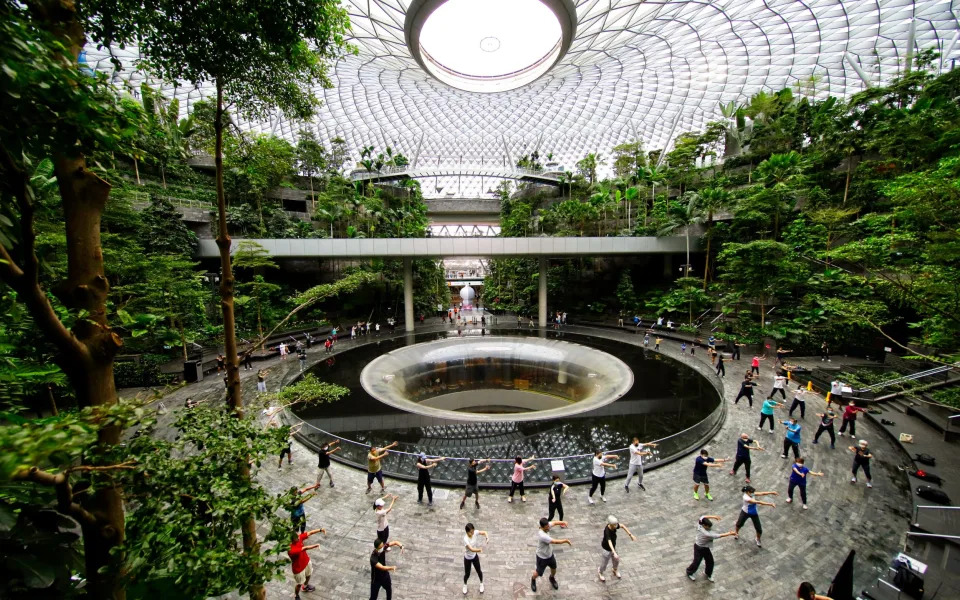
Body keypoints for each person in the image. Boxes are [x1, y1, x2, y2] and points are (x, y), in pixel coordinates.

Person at [685, 515, 737, 582]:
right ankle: (689, 572)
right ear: (704, 525)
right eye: (708, 526)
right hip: (699, 548)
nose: (709, 528)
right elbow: (718, 536)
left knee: (710, 561)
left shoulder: (700, 523)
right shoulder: (706, 534)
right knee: (696, 562)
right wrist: (729, 534)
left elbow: (703, 516)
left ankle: (708, 573)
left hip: (705, 547)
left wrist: (714, 517)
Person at [530, 517, 571, 592]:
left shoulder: (546, 526)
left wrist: (563, 522)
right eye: (547, 527)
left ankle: (551, 578)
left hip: (549, 555)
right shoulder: (542, 535)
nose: (549, 528)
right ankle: (533, 579)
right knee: (538, 573)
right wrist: (565, 541)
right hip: (542, 557)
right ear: (542, 527)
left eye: (548, 526)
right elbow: (555, 542)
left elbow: (555, 523)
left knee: (554, 568)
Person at [289, 527, 326, 600]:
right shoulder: (291, 549)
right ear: (293, 540)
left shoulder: (299, 538)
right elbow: (304, 548)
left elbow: (310, 533)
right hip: (298, 568)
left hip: (306, 562)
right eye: (297, 537)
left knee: (309, 575)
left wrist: (320, 530)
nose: (299, 538)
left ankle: (305, 586)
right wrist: (316, 545)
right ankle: (296, 595)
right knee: (299, 584)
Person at [597, 515, 636, 582]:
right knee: (604, 563)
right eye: (614, 525)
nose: (616, 526)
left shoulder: (614, 526)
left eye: (616, 524)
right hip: (607, 549)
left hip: (613, 548)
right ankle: (600, 572)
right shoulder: (607, 531)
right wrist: (614, 552)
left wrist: (630, 535)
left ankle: (614, 570)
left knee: (616, 561)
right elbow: (609, 542)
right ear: (610, 524)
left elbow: (622, 526)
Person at [462, 523, 488, 595]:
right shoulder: (465, 539)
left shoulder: (474, 533)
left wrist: (487, 537)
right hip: (467, 558)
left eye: (473, 531)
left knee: (479, 571)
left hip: (474, 557)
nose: (472, 533)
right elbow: (471, 549)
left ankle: (481, 583)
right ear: (467, 532)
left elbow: (484, 532)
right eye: (471, 532)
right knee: (467, 574)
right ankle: (465, 585)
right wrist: (480, 550)